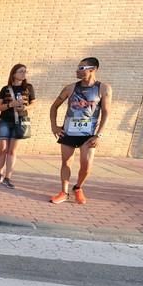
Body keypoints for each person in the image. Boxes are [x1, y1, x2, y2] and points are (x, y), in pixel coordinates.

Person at [48, 57, 112, 205]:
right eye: (78, 67)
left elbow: (106, 112)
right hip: (69, 131)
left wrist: (99, 134)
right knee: (66, 162)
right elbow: (54, 106)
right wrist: (54, 126)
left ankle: (78, 188)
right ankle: (64, 192)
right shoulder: (70, 88)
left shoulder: (103, 89)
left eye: (81, 68)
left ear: (93, 69)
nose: (77, 70)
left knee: (86, 165)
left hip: (88, 134)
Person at [0, 64, 35, 189]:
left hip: (19, 121)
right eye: (21, 71)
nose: (24, 74)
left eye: (25, 71)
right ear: (14, 74)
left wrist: (25, 107)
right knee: (2, 149)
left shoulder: (28, 88)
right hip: (4, 121)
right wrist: (11, 104)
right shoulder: (5, 89)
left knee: (12, 150)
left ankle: (8, 177)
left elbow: (34, 104)